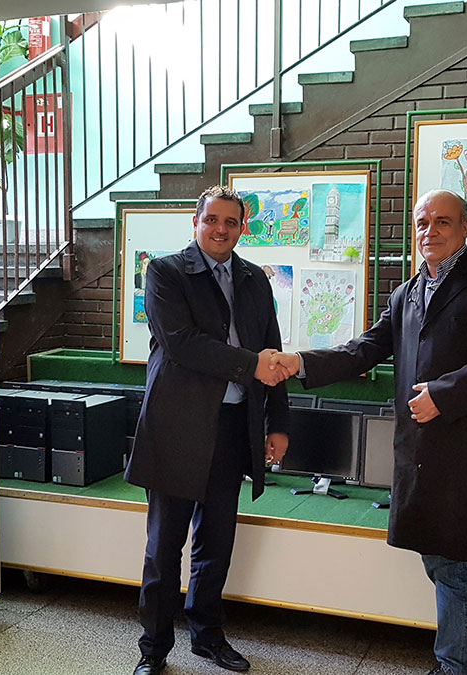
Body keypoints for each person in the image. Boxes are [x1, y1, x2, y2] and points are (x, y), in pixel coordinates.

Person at [271, 189, 467, 675]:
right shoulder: (407, 294)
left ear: (465, 227)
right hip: (423, 456)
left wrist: (443, 394)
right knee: (443, 568)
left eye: (443, 221)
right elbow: (363, 350)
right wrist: (300, 362)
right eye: (422, 223)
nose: (430, 231)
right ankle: (456, 663)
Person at [125, 185, 291, 675]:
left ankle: (207, 636)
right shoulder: (165, 272)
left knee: (216, 543)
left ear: (242, 228)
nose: (221, 230)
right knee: (164, 548)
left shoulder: (254, 279)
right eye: (212, 220)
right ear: (195, 222)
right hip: (177, 428)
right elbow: (182, 344)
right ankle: (153, 649)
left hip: (233, 427)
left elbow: (273, 350)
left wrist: (277, 423)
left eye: (231, 222)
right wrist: (250, 364)